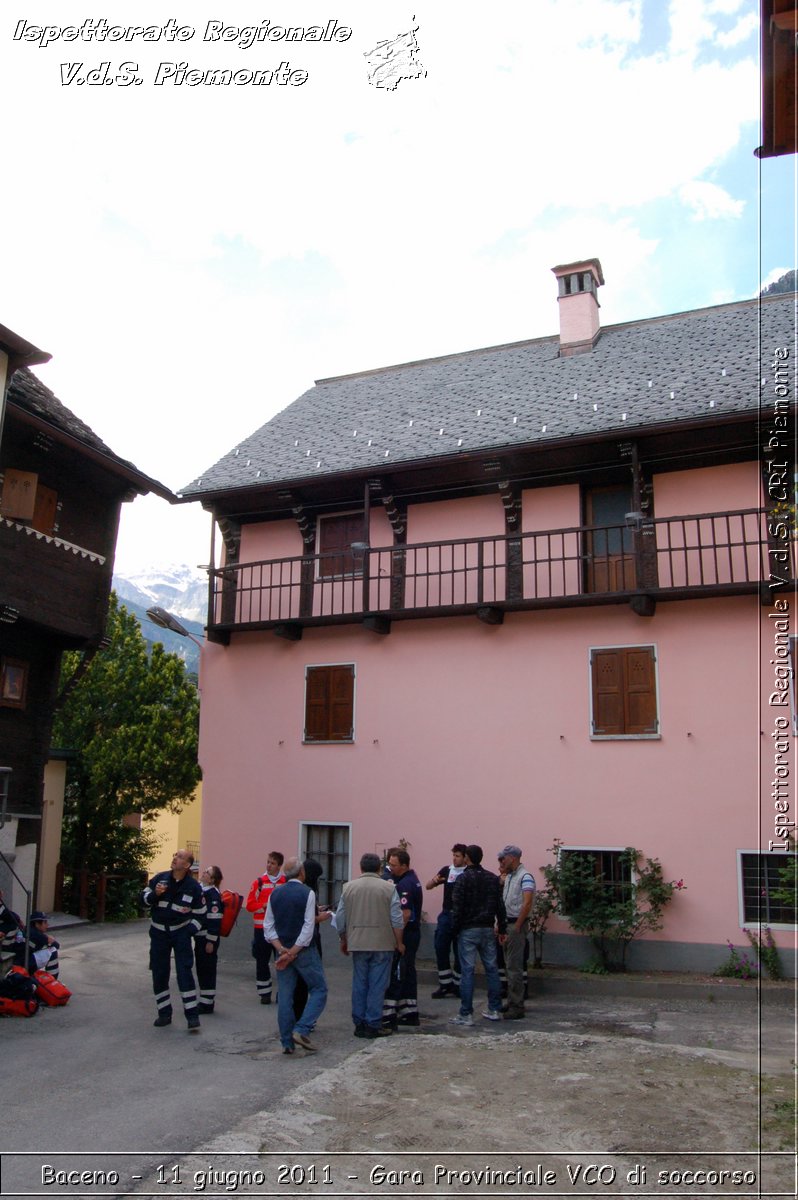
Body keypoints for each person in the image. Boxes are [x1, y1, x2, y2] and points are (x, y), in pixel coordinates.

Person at [335, 852, 404, 1039]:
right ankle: (373, 1023)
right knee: (377, 984)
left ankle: (359, 1023)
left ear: (361, 867)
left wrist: (343, 938)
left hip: (357, 941)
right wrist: (399, 942)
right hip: (382, 942)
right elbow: (397, 919)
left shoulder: (348, 888)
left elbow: (340, 917)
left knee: (360, 982)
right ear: (379, 868)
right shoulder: (388, 889)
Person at [263, 857, 328, 1055]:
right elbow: (309, 927)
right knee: (319, 989)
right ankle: (302, 1029)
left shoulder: (275, 893)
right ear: (302, 873)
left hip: (281, 949)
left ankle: (286, 1041)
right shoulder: (307, 893)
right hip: (302, 951)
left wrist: (281, 949)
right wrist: (293, 951)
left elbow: (268, 926)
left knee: (285, 995)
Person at [142, 848, 206, 1031]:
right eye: (175, 855)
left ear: (187, 865)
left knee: (184, 973)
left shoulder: (194, 888)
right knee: (159, 972)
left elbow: (201, 915)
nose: (174, 858)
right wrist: (155, 895)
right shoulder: (159, 879)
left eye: (179, 857)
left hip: (180, 934)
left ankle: (192, 1017)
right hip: (159, 934)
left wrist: (188, 932)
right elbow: (142, 899)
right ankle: (164, 1013)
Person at [450, 844, 506, 1027]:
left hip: (468, 929)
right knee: (492, 968)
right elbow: (500, 905)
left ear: (467, 857)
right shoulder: (492, 878)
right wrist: (502, 927)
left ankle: (466, 1013)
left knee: (467, 970)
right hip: (488, 927)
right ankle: (495, 1008)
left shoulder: (463, 879)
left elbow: (457, 907)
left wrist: (454, 928)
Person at [382, 847, 423, 1028]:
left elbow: (405, 914)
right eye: (389, 864)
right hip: (411, 932)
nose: (391, 868)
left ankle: (394, 1011)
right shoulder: (411, 880)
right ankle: (408, 1009)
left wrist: (397, 939)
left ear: (404, 865)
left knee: (399, 971)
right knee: (407, 970)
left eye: (394, 865)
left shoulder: (405, 884)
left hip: (407, 933)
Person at [498, 845, 536, 1020]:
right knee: (508, 965)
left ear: (512, 858)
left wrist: (518, 925)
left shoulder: (525, 877)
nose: (502, 861)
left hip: (515, 925)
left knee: (514, 967)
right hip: (507, 924)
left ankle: (517, 1005)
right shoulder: (511, 877)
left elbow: (527, 903)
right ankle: (513, 1001)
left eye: (504, 858)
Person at [292, 858, 332, 1022]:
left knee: (296, 984)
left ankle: (296, 1017)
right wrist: (319, 917)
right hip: (308, 942)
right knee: (316, 986)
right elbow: (306, 919)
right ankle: (305, 1020)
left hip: (296, 941)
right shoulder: (308, 892)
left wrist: (317, 909)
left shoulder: (297, 890)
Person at [426, 844, 467, 998]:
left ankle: (457, 984)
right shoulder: (447, 870)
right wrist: (435, 880)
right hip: (446, 915)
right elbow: (428, 886)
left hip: (461, 917)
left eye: (457, 856)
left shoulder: (467, 872)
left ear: (465, 858)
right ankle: (445, 983)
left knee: (459, 951)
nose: (454, 858)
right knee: (440, 947)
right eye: (453, 855)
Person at [245, 851, 286, 1004]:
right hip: (261, 928)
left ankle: (282, 993)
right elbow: (249, 905)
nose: (268, 865)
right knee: (262, 960)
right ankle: (264, 992)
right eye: (268, 862)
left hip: (279, 928)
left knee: (281, 959)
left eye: (272, 863)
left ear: (279, 866)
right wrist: (264, 906)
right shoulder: (259, 882)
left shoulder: (285, 881)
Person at [195, 865, 224, 1014]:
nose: (204, 873)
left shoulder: (213, 895)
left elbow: (215, 919)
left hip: (207, 938)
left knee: (207, 970)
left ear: (212, 880)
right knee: (201, 968)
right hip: (200, 937)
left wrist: (210, 941)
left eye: (207, 873)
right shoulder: (202, 890)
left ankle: (207, 1003)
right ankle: (204, 1000)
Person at [13, 910, 60, 977]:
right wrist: (49, 938)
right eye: (45, 922)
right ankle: (52, 980)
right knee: (53, 950)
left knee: (42, 950)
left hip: (17, 961)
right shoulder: (36, 934)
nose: (47, 925)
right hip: (23, 964)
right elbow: (56, 945)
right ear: (37, 924)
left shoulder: (27, 929)